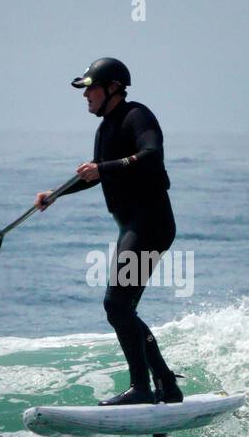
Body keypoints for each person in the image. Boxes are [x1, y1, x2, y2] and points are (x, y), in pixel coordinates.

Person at [35, 57, 183, 406]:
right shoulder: (104, 129)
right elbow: (99, 174)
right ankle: (164, 384)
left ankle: (143, 388)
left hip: (150, 222)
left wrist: (103, 166)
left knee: (116, 304)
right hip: (131, 225)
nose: (86, 96)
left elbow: (150, 155)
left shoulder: (137, 116)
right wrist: (55, 195)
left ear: (113, 87)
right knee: (122, 309)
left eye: (91, 89)